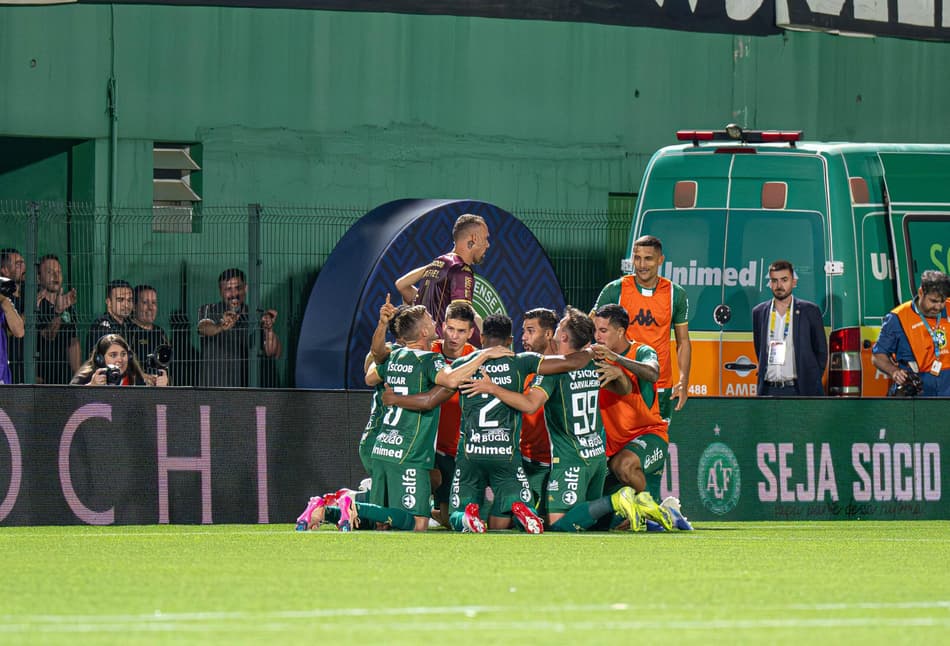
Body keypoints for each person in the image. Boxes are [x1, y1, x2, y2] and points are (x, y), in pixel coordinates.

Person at [462, 307, 672, 532]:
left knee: (560, 526)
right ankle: (626, 508)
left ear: (562, 336)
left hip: (571, 459)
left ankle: (616, 500)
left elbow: (531, 404)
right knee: (590, 526)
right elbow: (625, 388)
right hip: (596, 457)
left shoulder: (554, 370)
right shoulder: (595, 363)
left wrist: (493, 388)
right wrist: (620, 375)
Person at [363, 304, 512, 532]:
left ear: (471, 333)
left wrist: (384, 339)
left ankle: (353, 503)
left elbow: (373, 372)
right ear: (439, 328)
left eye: (461, 331)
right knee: (416, 521)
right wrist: (484, 355)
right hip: (415, 450)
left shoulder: (399, 354)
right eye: (449, 328)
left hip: (431, 447)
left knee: (409, 518)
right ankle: (349, 504)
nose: (454, 336)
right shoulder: (430, 357)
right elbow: (431, 396)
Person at [593, 235, 691, 423]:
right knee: (619, 442)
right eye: (637, 258)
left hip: (659, 384)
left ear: (660, 260)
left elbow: (683, 342)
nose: (641, 264)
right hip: (620, 380)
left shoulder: (675, 294)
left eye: (648, 258)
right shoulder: (615, 290)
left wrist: (684, 380)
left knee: (655, 443)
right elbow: (591, 326)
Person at [395, 213, 489, 341]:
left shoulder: (438, 265)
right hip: (440, 352)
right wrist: (489, 339)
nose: (487, 245)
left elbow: (401, 285)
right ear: (474, 238)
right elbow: (463, 313)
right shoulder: (460, 269)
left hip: (422, 350)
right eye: (485, 238)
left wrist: (435, 265)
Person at [752, 260, 828, 396]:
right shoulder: (759, 312)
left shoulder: (810, 311)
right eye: (774, 281)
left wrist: (812, 379)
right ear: (770, 283)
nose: (779, 285)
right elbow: (760, 350)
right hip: (769, 390)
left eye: (784, 280)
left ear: (794, 282)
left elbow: (821, 352)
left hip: (800, 390)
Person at [197, 268, 281, 387]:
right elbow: (203, 328)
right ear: (221, 291)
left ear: (245, 288)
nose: (234, 294)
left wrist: (269, 329)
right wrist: (221, 326)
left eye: (238, 288)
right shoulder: (209, 309)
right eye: (228, 289)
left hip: (246, 391)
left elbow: (273, 352)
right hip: (214, 387)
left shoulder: (255, 315)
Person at [872, 269, 950, 397]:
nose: (938, 307)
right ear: (921, 292)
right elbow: (878, 356)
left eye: (942, 301)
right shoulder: (897, 318)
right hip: (917, 395)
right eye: (933, 301)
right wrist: (894, 371)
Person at [517, 307, 559, 510]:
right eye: (523, 331)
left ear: (549, 333)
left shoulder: (565, 365)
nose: (524, 337)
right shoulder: (521, 366)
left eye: (531, 331)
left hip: (557, 465)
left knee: (553, 523)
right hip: (525, 461)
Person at [35, 255, 81, 384]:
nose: (56, 276)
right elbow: (49, 335)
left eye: (59, 272)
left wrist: (77, 373)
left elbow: (73, 341)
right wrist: (58, 312)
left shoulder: (68, 305)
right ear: (39, 278)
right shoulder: (36, 304)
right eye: (50, 272)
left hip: (64, 376)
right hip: (42, 376)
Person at [70, 333, 168, 387]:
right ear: (100, 359)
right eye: (113, 355)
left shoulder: (135, 378)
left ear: (129, 356)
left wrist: (160, 390)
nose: (120, 359)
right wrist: (91, 386)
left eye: (123, 354)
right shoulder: (86, 377)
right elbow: (68, 403)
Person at [125, 285, 171, 378]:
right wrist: (143, 377)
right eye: (145, 302)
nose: (150, 307)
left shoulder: (160, 332)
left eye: (154, 303)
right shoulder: (127, 331)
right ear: (134, 306)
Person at [87, 279, 133, 354]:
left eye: (129, 300)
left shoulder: (130, 325)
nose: (126, 305)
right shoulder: (101, 326)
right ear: (109, 302)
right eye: (120, 300)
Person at [0, 248, 26, 383]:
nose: (24, 267)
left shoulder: (3, 298)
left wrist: (4, 301)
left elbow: (19, 331)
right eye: (18, 264)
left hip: (3, 376)